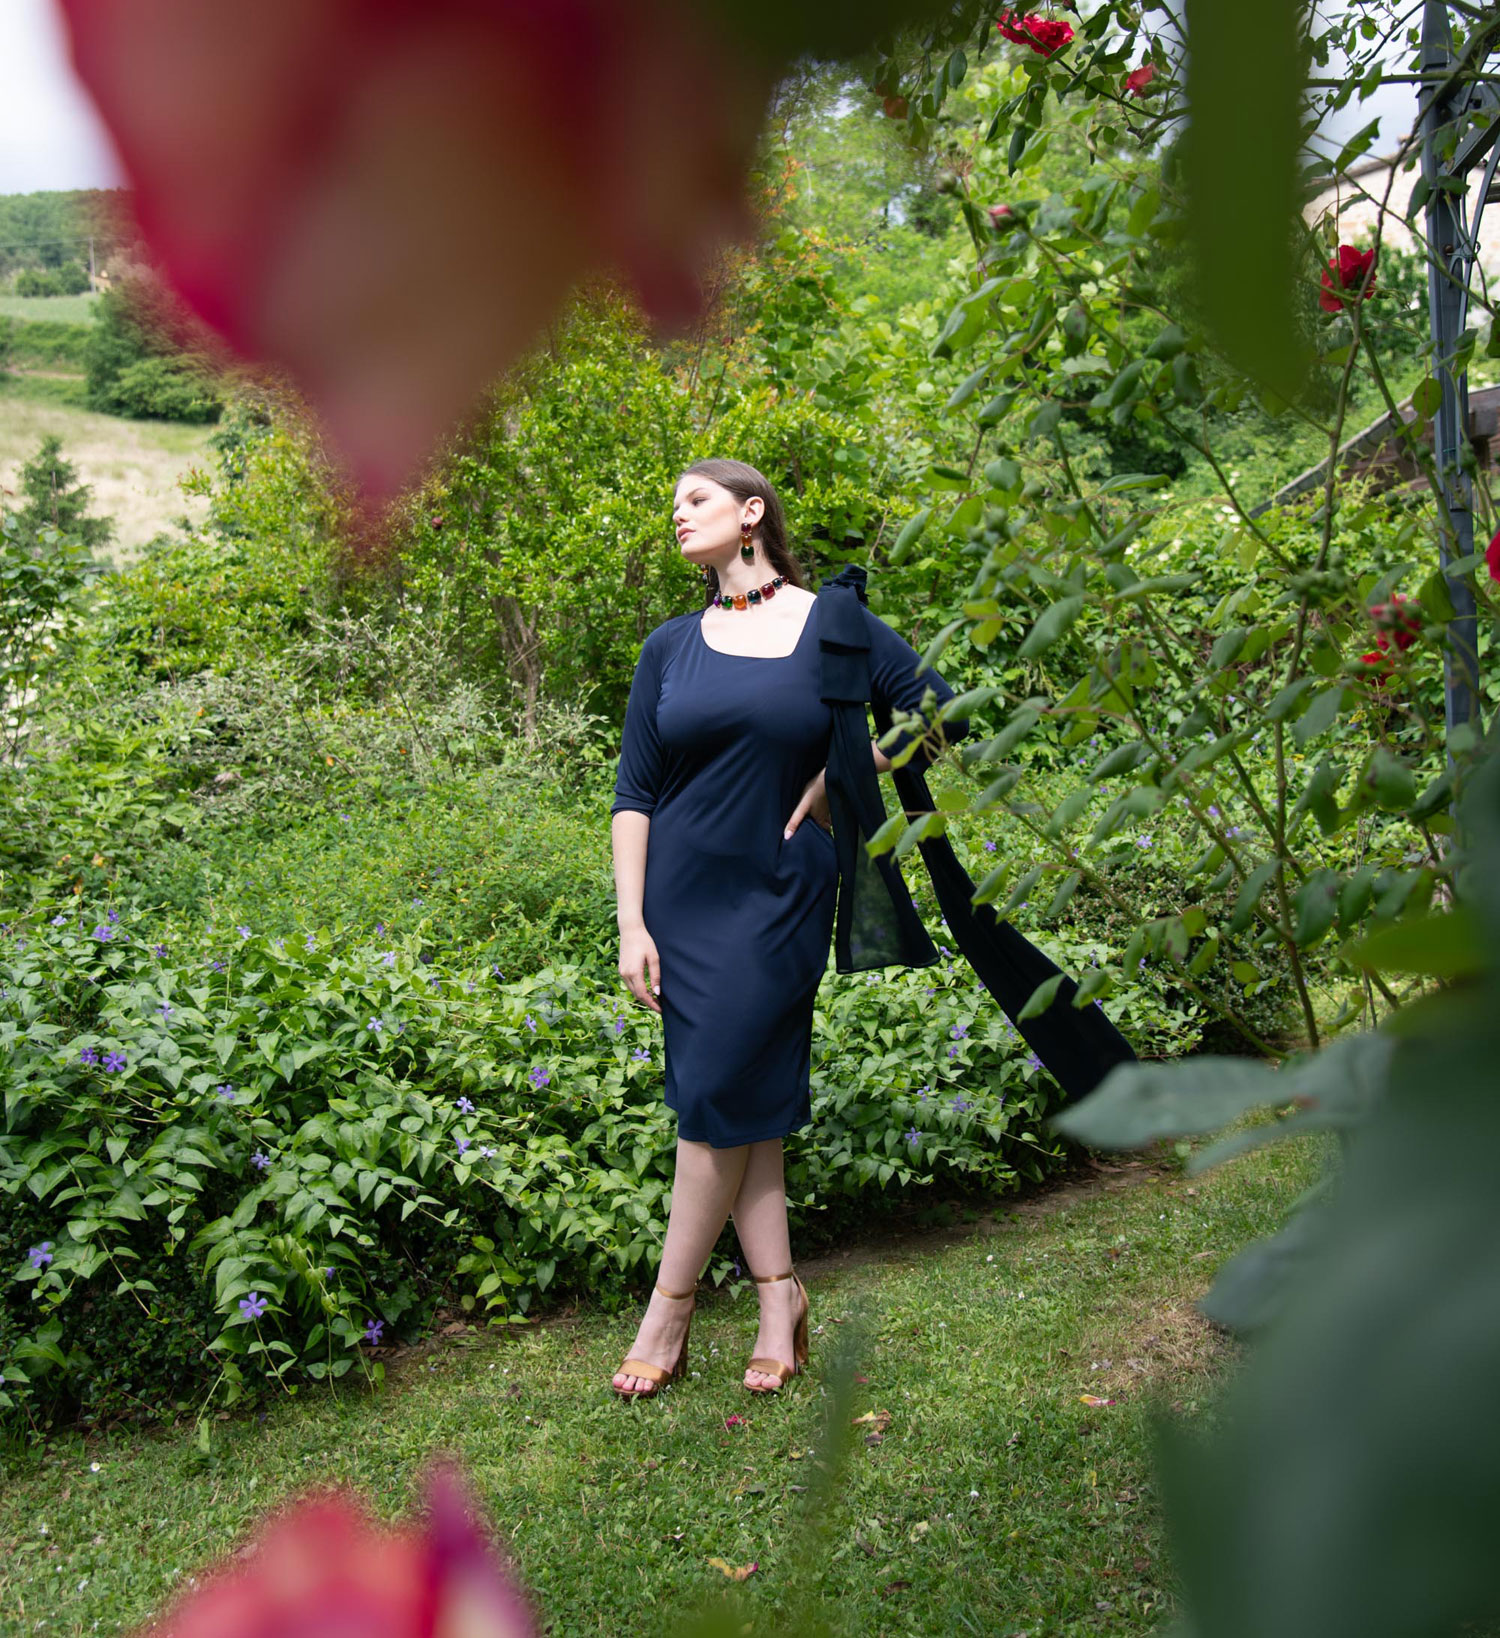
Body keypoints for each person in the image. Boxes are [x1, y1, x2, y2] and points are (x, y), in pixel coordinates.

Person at [608, 458, 968, 1398]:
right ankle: (781, 1301)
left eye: (696, 498)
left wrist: (846, 770)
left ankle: (668, 1309)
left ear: (751, 512)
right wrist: (631, 922)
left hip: (779, 893)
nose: (678, 514)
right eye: (673, 502)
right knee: (744, 1105)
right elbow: (634, 794)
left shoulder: (830, 622)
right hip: (681, 900)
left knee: (714, 1096)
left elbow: (939, 710)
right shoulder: (669, 647)